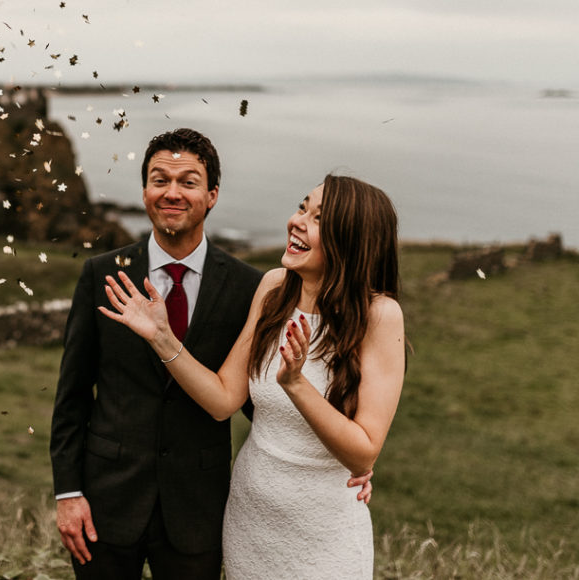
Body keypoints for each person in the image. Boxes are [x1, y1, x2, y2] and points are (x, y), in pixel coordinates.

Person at [49, 129, 371, 579]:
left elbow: (249, 395)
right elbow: (72, 395)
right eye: (159, 179)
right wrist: (68, 492)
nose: (172, 193)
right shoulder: (101, 274)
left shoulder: (248, 285)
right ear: (144, 191)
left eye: (188, 182)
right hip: (107, 501)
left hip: (199, 511)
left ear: (212, 194)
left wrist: (337, 458)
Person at [100, 174, 405, 578]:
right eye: (302, 207)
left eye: (318, 219)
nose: (297, 222)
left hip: (324, 534)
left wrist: (297, 385)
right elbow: (224, 398)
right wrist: (161, 337)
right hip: (251, 520)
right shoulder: (274, 288)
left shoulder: (380, 316)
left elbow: (363, 452)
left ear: (350, 239)